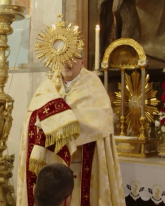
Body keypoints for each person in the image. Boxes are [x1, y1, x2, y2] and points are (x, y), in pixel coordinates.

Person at [17, 54, 125, 206]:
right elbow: (31, 119)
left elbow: (99, 122)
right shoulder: (47, 87)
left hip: (81, 164)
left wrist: (59, 120)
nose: (67, 62)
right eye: (63, 56)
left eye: (73, 57)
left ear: (83, 62)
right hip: (50, 163)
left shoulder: (93, 86)